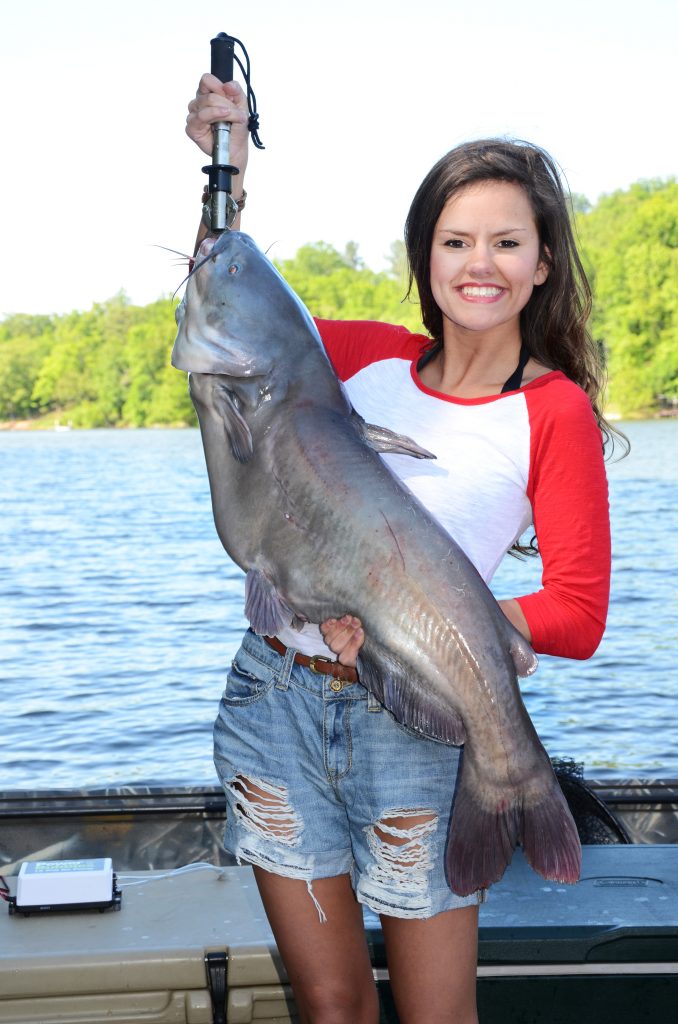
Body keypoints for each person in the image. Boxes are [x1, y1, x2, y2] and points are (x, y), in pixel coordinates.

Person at [185, 76, 613, 1024]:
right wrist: (226, 176)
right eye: (455, 241)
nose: (480, 264)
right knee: (333, 1010)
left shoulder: (553, 412)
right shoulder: (361, 356)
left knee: (435, 1018)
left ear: (543, 262)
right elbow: (230, 316)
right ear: (425, 257)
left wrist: (416, 627)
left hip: (422, 735)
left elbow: (578, 611)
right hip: (277, 707)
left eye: (508, 242)